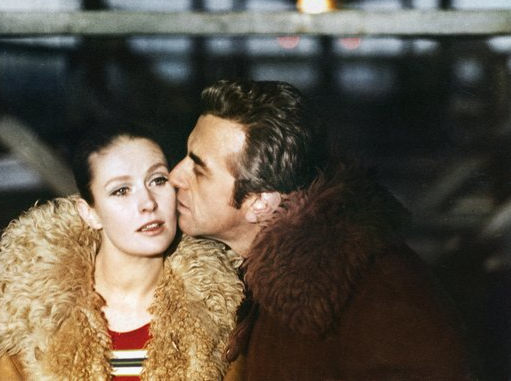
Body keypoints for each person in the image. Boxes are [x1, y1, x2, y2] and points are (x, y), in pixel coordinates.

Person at [169, 80, 474, 380]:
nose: (175, 176)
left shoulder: (378, 291)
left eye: (199, 169)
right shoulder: (238, 279)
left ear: (261, 203)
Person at [0, 120, 244, 380]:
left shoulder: (221, 316)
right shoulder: (24, 323)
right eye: (121, 191)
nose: (148, 203)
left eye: (158, 180)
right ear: (90, 213)